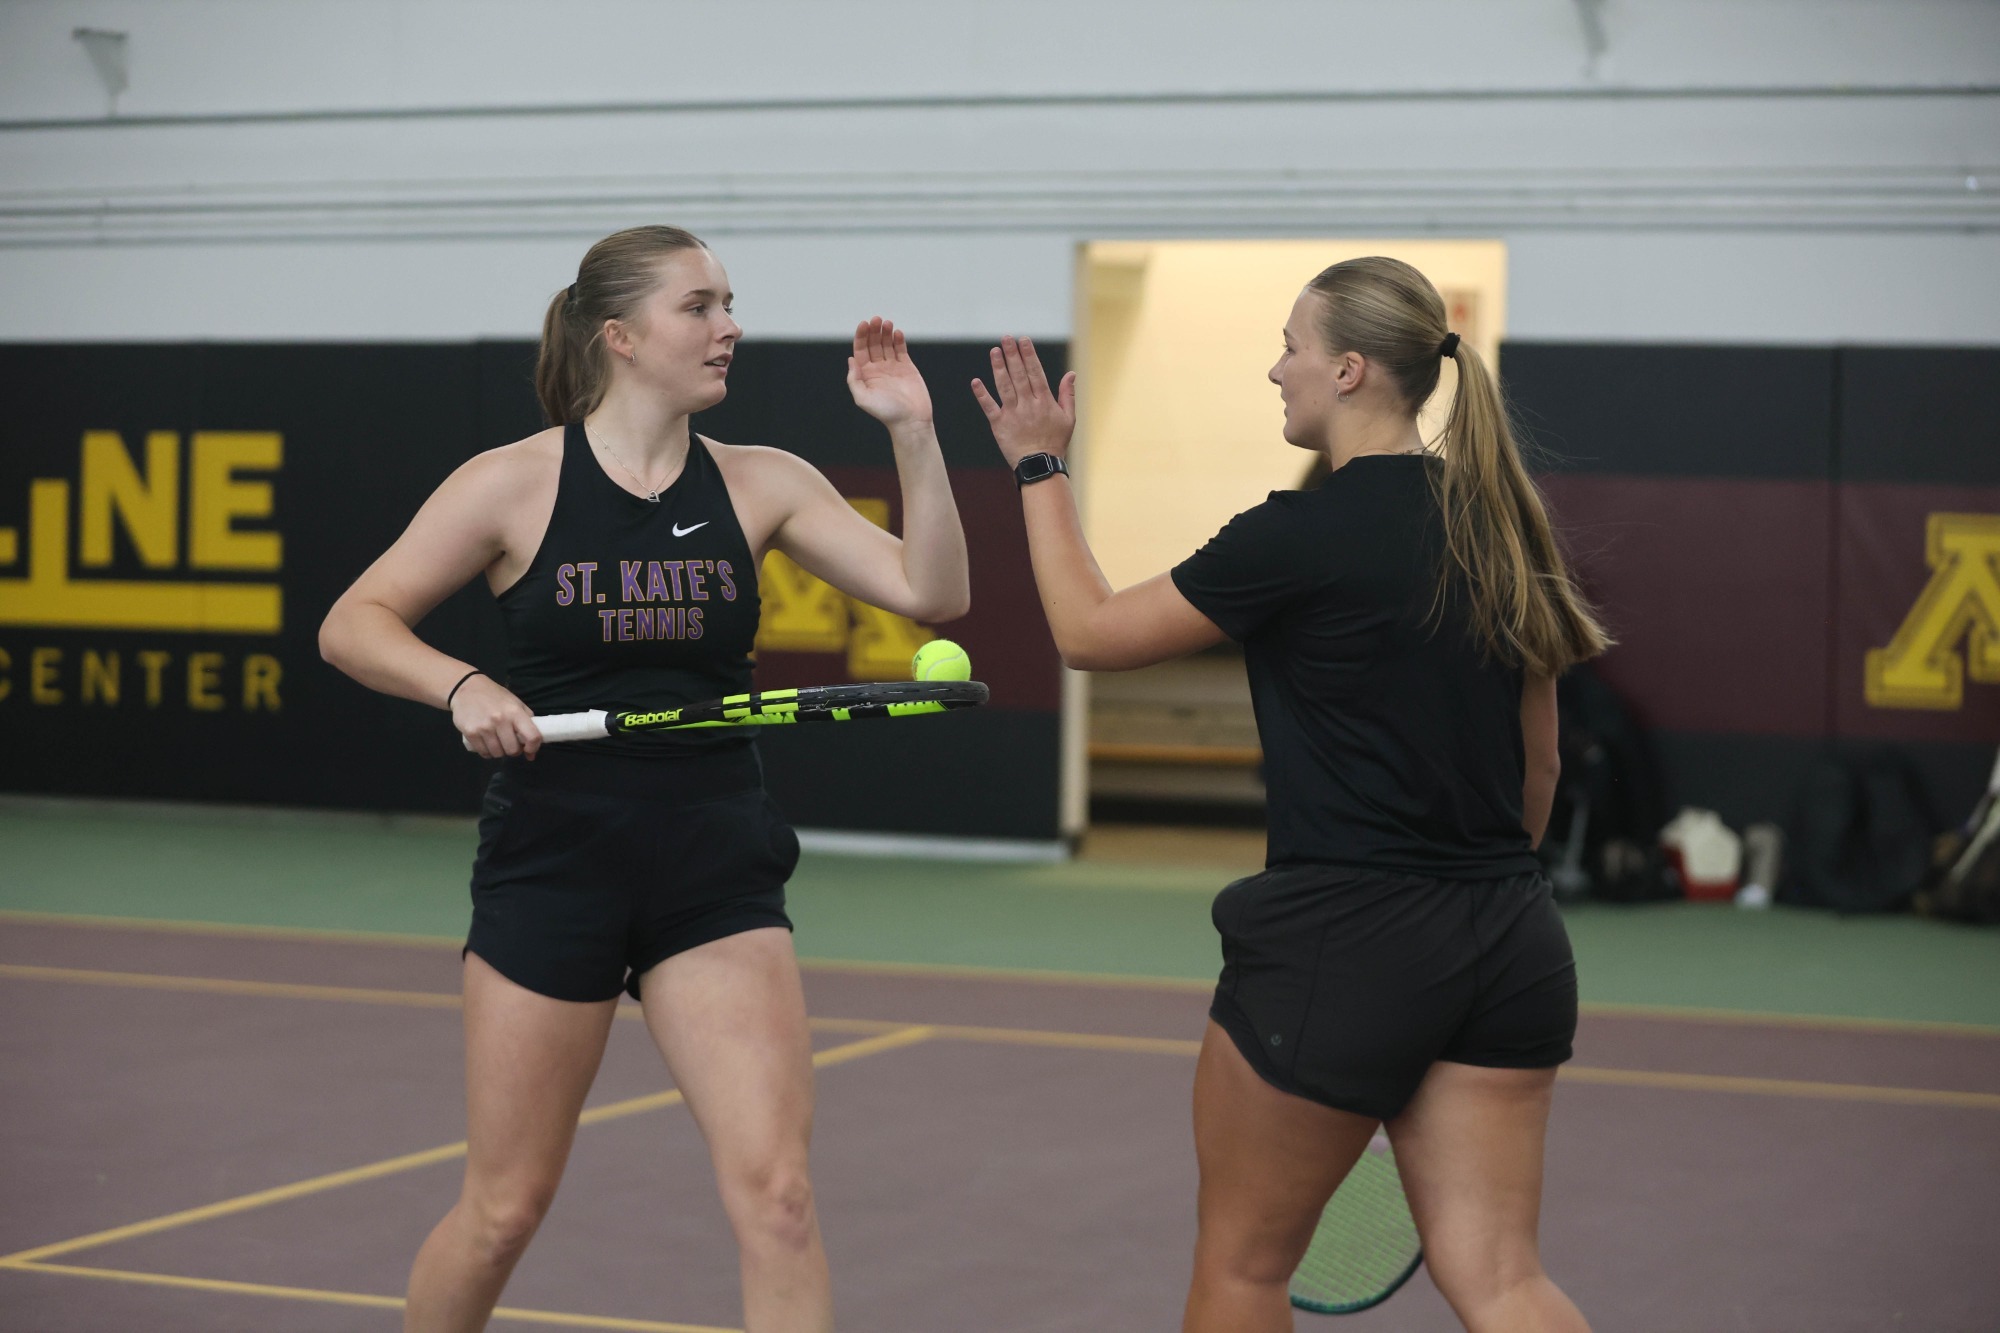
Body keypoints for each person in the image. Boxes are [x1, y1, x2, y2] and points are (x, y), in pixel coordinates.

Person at [319, 224, 967, 1333]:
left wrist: (914, 435)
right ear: (619, 336)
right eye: (700, 306)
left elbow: (932, 594)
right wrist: (464, 686)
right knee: (504, 1209)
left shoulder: (762, 482)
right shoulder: (510, 484)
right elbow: (353, 623)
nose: (730, 328)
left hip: (712, 865)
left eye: (729, 303)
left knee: (779, 1197)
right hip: (553, 863)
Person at [971, 256, 1606, 1333]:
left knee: (1240, 1270)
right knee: (1502, 1280)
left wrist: (1039, 468)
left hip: (1342, 946)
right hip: (1510, 938)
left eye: (1290, 348)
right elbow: (1534, 769)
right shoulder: (1507, 527)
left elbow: (1087, 632)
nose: (1276, 371)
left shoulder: (1292, 536)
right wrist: (1462, 913)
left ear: (1350, 370)